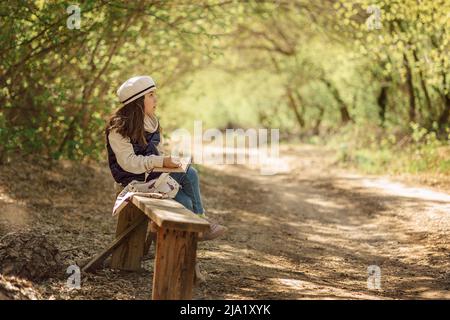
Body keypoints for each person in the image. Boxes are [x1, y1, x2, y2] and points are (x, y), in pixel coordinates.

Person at [105, 75, 227, 241]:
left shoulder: (151, 122)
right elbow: (129, 163)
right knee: (190, 179)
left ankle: (186, 225)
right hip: (133, 181)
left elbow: (156, 152)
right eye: (151, 95)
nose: (156, 99)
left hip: (151, 176)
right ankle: (196, 224)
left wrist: (170, 161)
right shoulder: (119, 127)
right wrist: (161, 161)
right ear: (138, 101)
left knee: (186, 193)